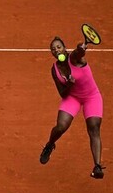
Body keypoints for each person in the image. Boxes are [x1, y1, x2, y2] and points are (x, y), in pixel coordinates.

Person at [39, 36, 105, 179]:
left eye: (59, 47)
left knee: (94, 127)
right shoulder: (55, 69)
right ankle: (50, 145)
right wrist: (69, 83)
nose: (56, 50)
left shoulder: (75, 59)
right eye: (53, 49)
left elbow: (78, 52)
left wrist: (81, 49)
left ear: (64, 48)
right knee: (61, 126)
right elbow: (63, 93)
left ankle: (97, 167)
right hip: (72, 97)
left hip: (91, 97)